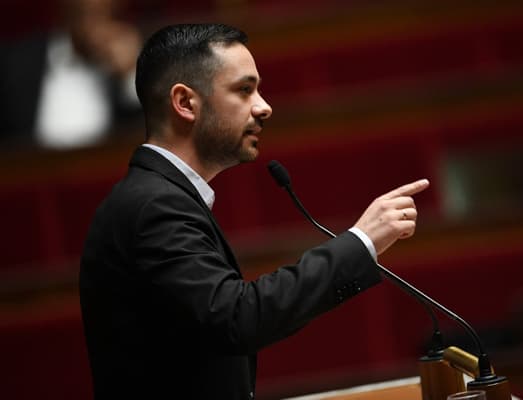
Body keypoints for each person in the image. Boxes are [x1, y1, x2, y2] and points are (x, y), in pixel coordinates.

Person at [79, 23, 430, 399]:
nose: (264, 107)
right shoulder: (154, 205)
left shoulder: (159, 197)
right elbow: (235, 318)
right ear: (185, 103)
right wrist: (361, 243)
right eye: (244, 90)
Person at [0, 0, 141, 149]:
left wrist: (129, 77)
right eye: (84, 14)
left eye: (99, 14)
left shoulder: (129, 63)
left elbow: (146, 138)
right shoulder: (19, 62)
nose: (91, 26)